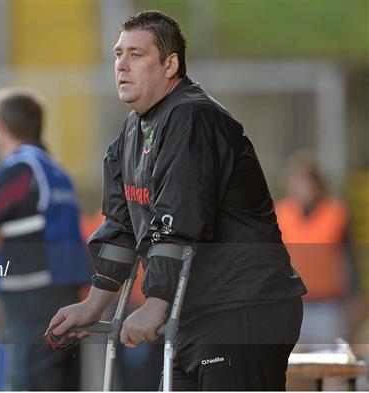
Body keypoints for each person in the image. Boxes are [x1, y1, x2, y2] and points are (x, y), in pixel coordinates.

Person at [48, 10, 307, 391]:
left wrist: (155, 303)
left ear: (171, 64)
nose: (121, 65)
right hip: (197, 312)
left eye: (136, 55)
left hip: (243, 306)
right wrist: (94, 303)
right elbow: (121, 229)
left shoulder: (193, 117)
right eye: (118, 55)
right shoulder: (131, 133)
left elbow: (179, 218)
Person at [0, 88, 91, 390]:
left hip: (33, 314)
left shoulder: (22, 170)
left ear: (1, 128)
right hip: (68, 306)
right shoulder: (57, 172)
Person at [276, 150, 360, 346]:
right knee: (290, 368)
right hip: (292, 304)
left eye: (309, 180)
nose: (305, 187)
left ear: (319, 183)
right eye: (299, 180)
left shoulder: (337, 214)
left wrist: (354, 298)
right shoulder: (280, 214)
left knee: (331, 365)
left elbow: (350, 259)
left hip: (328, 305)